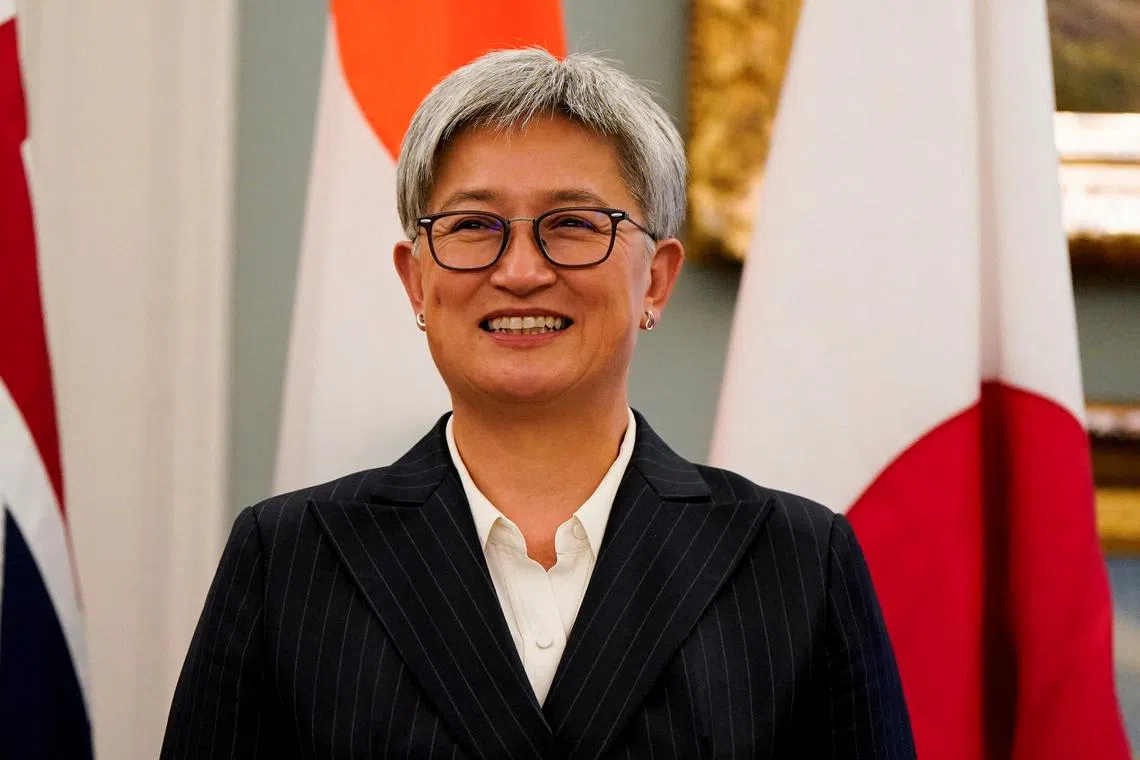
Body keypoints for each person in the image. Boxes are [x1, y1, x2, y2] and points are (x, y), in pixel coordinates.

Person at [162, 48, 915, 759]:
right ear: (416, 281)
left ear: (655, 279)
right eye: (472, 227)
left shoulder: (796, 562)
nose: (520, 271)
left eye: (574, 225)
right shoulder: (289, 559)